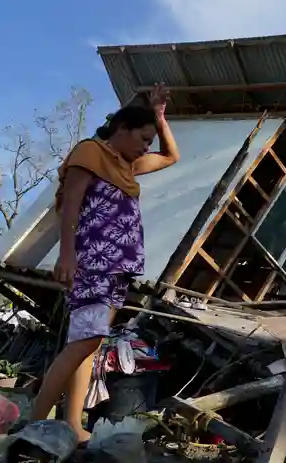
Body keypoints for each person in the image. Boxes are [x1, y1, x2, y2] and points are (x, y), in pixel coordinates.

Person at [30, 83, 180, 442]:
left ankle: (72, 423)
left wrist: (159, 117)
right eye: (143, 138)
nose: (146, 147)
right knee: (85, 341)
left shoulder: (126, 166)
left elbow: (171, 156)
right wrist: (67, 255)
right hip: (93, 261)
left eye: (149, 140)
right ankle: (34, 423)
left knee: (90, 343)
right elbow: (70, 204)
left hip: (118, 266)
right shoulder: (91, 152)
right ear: (122, 129)